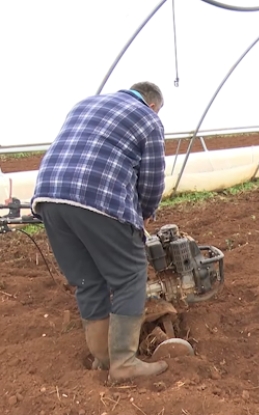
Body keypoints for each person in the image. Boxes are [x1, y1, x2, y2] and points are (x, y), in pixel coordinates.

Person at [30, 82, 168, 383]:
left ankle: (103, 359)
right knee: (130, 275)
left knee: (87, 281)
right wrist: (142, 216)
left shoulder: (83, 104)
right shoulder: (148, 118)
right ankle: (124, 363)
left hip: (49, 198)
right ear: (153, 104)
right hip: (98, 198)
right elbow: (153, 181)